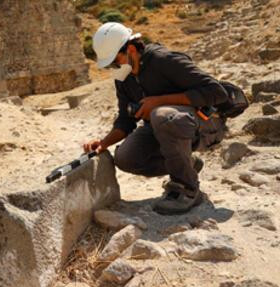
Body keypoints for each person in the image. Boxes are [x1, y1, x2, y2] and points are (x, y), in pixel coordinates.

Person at [83, 22, 228, 215]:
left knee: (162, 115)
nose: (114, 68)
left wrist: (159, 101)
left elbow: (217, 92)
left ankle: (188, 189)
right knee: (126, 158)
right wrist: (103, 143)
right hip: (165, 127)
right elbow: (125, 121)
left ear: (131, 49)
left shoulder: (163, 60)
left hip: (206, 124)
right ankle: (187, 165)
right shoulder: (124, 79)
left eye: (115, 62)